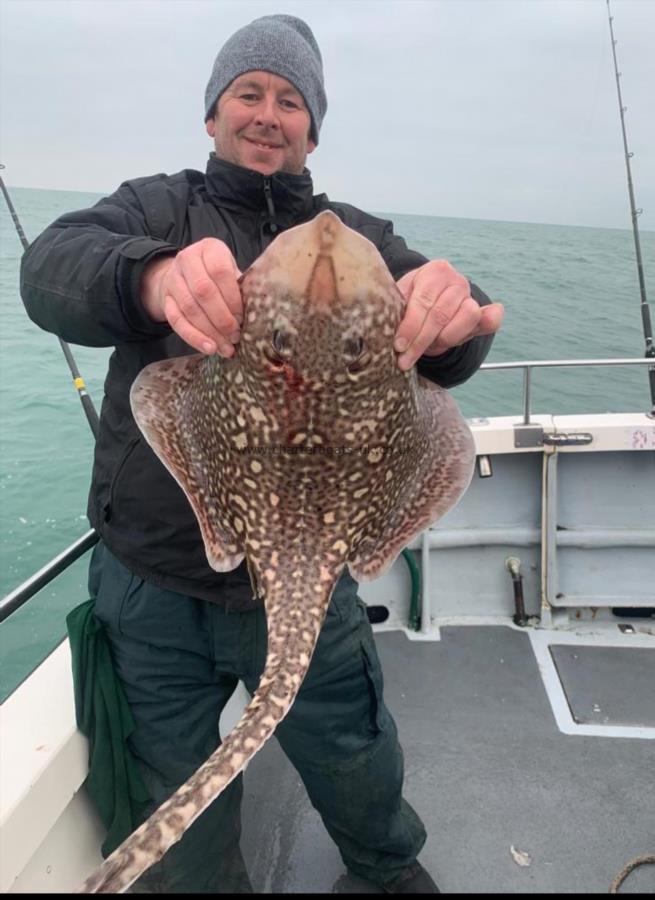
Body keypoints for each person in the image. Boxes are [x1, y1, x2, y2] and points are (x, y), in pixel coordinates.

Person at [20, 13, 503, 894]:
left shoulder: (362, 236)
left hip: (316, 578)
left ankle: (387, 872)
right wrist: (150, 278)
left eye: (289, 101)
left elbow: (451, 347)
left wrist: (454, 315)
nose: (267, 113)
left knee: (353, 751)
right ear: (213, 114)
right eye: (248, 93)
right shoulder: (153, 209)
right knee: (177, 788)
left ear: (312, 128)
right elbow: (50, 268)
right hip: (151, 584)